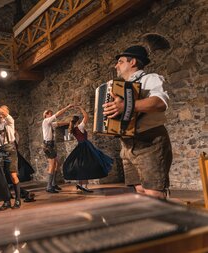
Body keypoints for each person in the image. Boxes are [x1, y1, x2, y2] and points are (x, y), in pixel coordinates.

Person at [103, 45, 173, 199]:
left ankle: (167, 221)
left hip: (150, 141)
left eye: (120, 62)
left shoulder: (150, 78)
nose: (116, 65)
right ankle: (151, 222)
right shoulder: (120, 87)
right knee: (139, 190)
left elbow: (160, 103)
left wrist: (125, 106)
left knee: (154, 192)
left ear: (133, 62)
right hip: (127, 144)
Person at [63, 107, 113, 192]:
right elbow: (86, 116)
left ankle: (80, 184)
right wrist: (80, 108)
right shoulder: (80, 127)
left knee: (81, 166)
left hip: (80, 146)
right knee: (86, 165)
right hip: (85, 147)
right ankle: (84, 186)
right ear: (78, 121)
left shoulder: (73, 129)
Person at [42, 104, 73, 193]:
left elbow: (59, 123)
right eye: (50, 114)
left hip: (51, 145)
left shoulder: (50, 124)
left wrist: (68, 122)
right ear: (46, 115)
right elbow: (58, 114)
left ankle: (53, 184)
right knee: (52, 165)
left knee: (57, 164)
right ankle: (49, 186)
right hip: (48, 145)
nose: (51, 115)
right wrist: (67, 107)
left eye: (51, 114)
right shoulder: (45, 121)